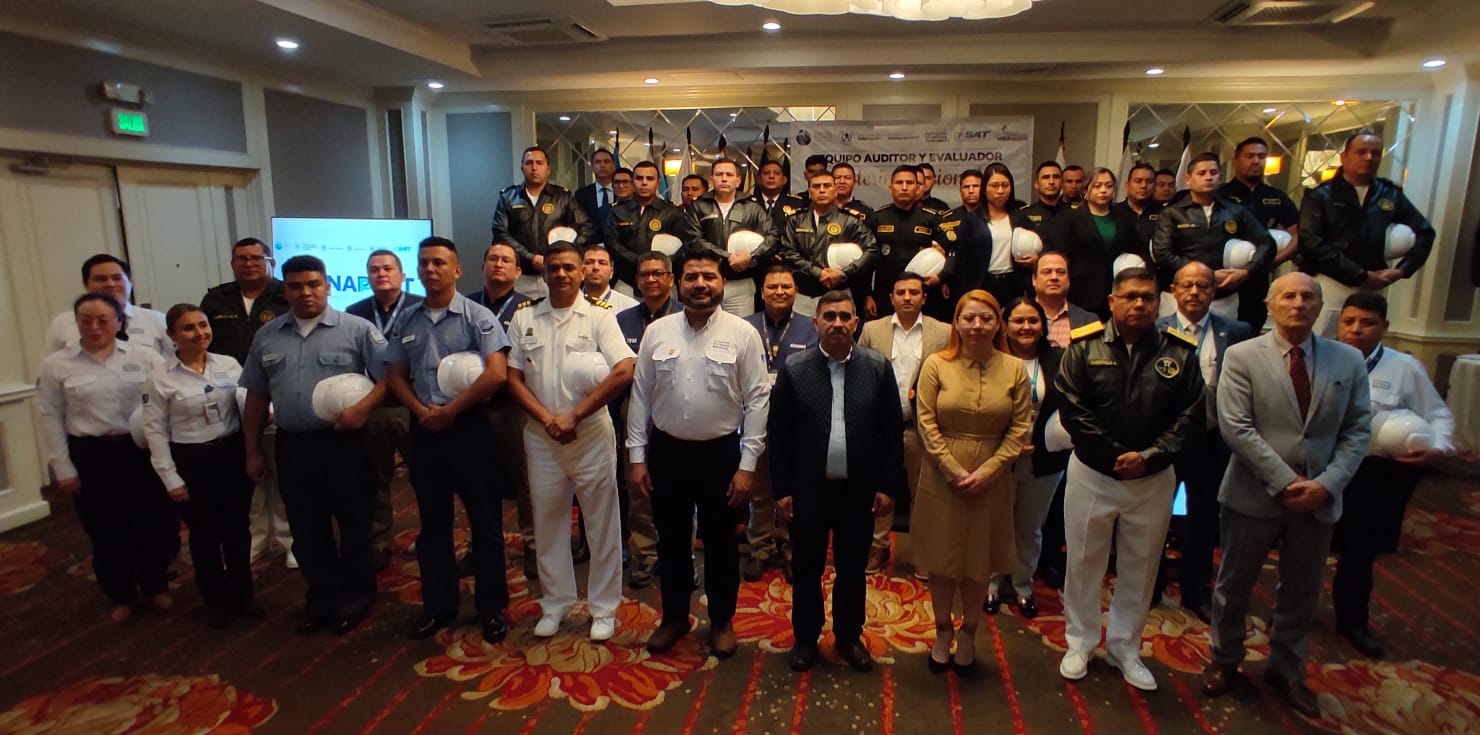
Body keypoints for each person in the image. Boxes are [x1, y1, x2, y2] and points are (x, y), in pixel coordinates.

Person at [1202, 273, 1370, 719]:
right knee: (1234, 584)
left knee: (1302, 589)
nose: (1298, 303)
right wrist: (1285, 481)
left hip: (1318, 497)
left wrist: (1325, 485)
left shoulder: (1348, 360)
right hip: (1253, 492)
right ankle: (1224, 658)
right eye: (1289, 296)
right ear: (1270, 304)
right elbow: (1236, 426)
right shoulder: (1242, 356)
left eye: (1308, 297)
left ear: (1319, 307)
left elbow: (1357, 430)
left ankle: (1287, 667)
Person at [1054, 267, 1206, 692]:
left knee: (1141, 567)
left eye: (1148, 297)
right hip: (1093, 473)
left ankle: (1125, 648)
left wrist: (1149, 457)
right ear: (1112, 301)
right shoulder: (1083, 347)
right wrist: (1114, 455)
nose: (1140, 304)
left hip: (1152, 479)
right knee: (1083, 561)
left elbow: (1192, 416)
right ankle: (1080, 643)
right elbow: (1071, 407)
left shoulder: (1180, 352)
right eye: (1131, 296)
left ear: (1159, 302)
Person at [628, 250, 770, 659]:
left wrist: (747, 466)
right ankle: (674, 617)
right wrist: (637, 457)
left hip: (720, 455)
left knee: (721, 543)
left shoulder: (743, 333)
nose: (700, 284)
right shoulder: (658, 332)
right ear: (679, 283)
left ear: (722, 283)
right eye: (692, 277)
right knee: (671, 540)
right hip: (667, 452)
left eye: (709, 276)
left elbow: (758, 400)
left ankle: (722, 620)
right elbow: (641, 395)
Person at [240, 255, 388, 636]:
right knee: (306, 529)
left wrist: (361, 410)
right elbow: (256, 394)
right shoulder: (267, 336)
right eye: (295, 286)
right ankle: (321, 598)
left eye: (313, 284)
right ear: (285, 290)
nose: (305, 292)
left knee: (354, 524)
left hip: (346, 444)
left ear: (327, 286)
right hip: (293, 446)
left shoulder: (356, 329)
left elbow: (390, 379)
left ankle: (356, 597)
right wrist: (252, 450)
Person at [769, 290, 906, 673]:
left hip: (858, 490)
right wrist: (782, 489)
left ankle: (848, 635)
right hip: (808, 490)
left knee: (852, 569)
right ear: (815, 324)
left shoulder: (876, 367)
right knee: (806, 568)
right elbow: (778, 434)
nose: (838, 323)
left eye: (845, 316)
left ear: (856, 323)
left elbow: (891, 431)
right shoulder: (795, 368)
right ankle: (805, 636)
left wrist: (887, 485)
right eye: (829, 316)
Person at [383, 237, 512, 643]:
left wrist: (450, 411)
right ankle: (439, 606)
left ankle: (492, 609)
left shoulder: (477, 316)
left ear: (456, 270)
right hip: (424, 429)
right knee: (432, 523)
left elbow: (496, 374)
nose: (430, 269)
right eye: (424, 263)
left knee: (485, 524)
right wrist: (422, 412)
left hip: (469, 428)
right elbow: (395, 376)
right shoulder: (407, 320)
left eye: (439, 263)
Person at [506, 243, 636, 642]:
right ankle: (555, 603)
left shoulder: (599, 316)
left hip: (590, 433)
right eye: (553, 268)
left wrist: (575, 416)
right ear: (543, 273)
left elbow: (625, 369)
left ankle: (603, 608)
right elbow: (512, 377)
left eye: (568, 267)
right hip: (541, 436)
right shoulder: (524, 317)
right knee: (548, 521)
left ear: (581, 272)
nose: (561, 274)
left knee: (601, 523)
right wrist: (549, 419)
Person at [915, 290, 1032, 675]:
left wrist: (988, 471)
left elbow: (1020, 429)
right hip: (940, 474)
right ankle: (942, 630)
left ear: (999, 324)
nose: (977, 325)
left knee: (979, 561)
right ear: (957, 322)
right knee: (940, 560)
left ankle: (969, 631)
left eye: (986, 318)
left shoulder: (1015, 369)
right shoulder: (936, 364)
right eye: (969, 318)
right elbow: (925, 422)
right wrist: (952, 469)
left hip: (992, 476)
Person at [1331, 292, 1453, 658]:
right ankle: (1289, 615)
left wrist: (1438, 447)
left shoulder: (1405, 368)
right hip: (1323, 466)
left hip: (1371, 472)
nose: (1356, 329)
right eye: (1349, 321)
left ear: (1384, 326)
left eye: (1367, 323)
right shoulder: (1320, 358)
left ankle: (1353, 621)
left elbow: (1438, 414)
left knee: (1360, 551)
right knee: (1303, 546)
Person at [37, 294, 172, 623]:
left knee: (152, 523)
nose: (94, 326)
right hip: (91, 455)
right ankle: (120, 594)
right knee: (105, 528)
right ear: (77, 323)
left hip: (139, 451)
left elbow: (165, 401)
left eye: (103, 320)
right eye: (86, 320)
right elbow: (50, 417)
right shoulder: (57, 365)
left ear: (119, 322)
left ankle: (155, 585)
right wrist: (63, 467)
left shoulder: (144, 357)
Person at [140, 303, 260, 628]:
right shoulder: (160, 378)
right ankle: (215, 601)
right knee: (205, 535)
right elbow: (155, 431)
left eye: (203, 325)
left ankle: (243, 596)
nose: (199, 333)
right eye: (188, 328)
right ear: (172, 335)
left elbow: (246, 404)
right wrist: (170, 478)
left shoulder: (229, 364)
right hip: (192, 461)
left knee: (237, 529)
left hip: (230, 454)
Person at [1156, 262, 1254, 623]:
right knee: (1155, 516)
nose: (1195, 292)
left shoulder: (1238, 332)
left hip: (1213, 440)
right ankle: (1152, 584)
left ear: (1214, 291)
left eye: (1203, 285)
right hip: (1165, 440)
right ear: (1174, 290)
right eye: (1187, 285)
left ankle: (1196, 590)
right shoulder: (1155, 329)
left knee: (1203, 518)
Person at [200, 238, 294, 567]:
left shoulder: (287, 294)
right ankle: (255, 537)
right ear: (232, 264)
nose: (249, 263)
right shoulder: (215, 299)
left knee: (283, 474)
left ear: (270, 262)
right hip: (229, 398)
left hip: (279, 392)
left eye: (256, 257)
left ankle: (288, 539)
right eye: (241, 258)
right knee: (246, 475)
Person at [1299, 129, 1436, 337]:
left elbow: (1425, 233)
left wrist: (1401, 271)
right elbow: (1310, 242)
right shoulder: (1320, 195)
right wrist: (1359, 274)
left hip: (1374, 284)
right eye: (1361, 152)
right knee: (1321, 345)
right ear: (1344, 157)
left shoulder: (1390, 194)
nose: (1369, 157)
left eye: (1376, 153)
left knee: (1364, 345)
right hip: (1330, 283)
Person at [857, 272, 950, 575]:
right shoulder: (872, 329)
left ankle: (922, 553)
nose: (907, 297)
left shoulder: (944, 332)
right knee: (878, 491)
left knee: (923, 495)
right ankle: (878, 546)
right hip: (880, 428)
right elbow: (858, 372)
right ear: (891, 298)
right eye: (901, 292)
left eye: (913, 292)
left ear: (924, 297)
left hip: (920, 428)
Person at [987, 297, 1068, 619]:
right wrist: (1007, 446)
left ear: (1043, 326)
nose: (1026, 327)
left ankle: (1022, 586)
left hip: (1044, 460)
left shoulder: (1060, 360)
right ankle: (992, 584)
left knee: (1030, 528)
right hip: (998, 459)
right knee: (996, 525)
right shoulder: (991, 360)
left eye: (1033, 321)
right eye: (1018, 321)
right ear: (1005, 326)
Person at [346, 250, 423, 570]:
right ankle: (379, 539)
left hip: (413, 405)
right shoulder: (355, 313)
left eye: (388, 268)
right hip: (373, 405)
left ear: (402, 275)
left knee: (425, 475)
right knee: (374, 477)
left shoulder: (420, 307)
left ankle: (430, 534)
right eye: (374, 269)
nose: (381, 274)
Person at [741, 266, 819, 582]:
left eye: (786, 286)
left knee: (794, 491)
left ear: (796, 291)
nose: (779, 291)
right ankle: (760, 547)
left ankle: (791, 549)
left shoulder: (811, 327)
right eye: (772, 287)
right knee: (759, 489)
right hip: (754, 419)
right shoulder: (744, 326)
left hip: (796, 423)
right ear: (761, 292)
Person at [466, 242, 538, 580]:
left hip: (514, 405)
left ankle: (533, 545)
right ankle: (480, 545)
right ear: (483, 266)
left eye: (506, 260)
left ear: (518, 271)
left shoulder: (530, 309)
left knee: (526, 480)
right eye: (492, 258)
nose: (499, 264)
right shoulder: (466, 306)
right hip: (472, 404)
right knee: (477, 480)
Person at [614, 252, 682, 589]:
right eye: (644, 274)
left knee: (679, 486)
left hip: (676, 403)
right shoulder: (622, 320)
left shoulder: (686, 315)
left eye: (658, 273)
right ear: (636, 281)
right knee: (637, 482)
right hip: (633, 405)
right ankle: (646, 552)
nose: (651, 279)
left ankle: (680, 555)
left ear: (671, 279)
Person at [1152, 153, 1275, 321]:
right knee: (1174, 338)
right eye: (1202, 173)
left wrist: (1246, 272)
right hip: (1179, 295)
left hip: (1223, 297)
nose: (1208, 177)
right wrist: (1207, 275)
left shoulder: (1235, 211)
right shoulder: (1172, 213)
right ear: (1188, 179)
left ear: (1220, 177)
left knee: (1222, 338)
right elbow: (1162, 253)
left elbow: (1267, 243)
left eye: (1213, 172)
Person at [1220, 136, 1301, 331]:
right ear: (1236, 161)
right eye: (1250, 156)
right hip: (1225, 275)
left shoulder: (1276, 197)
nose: (1256, 161)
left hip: (1259, 276)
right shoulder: (1220, 194)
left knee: (1252, 326)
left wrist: (1274, 260)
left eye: (1261, 156)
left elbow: (1298, 234)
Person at [493, 145, 596, 295]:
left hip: (555, 274)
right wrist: (530, 257)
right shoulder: (508, 197)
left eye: (539, 163)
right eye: (529, 163)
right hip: (519, 274)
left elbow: (586, 228)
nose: (534, 167)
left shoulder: (563, 197)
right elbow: (500, 233)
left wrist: (563, 253)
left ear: (548, 169)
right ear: (522, 168)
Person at [686, 158, 779, 316]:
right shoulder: (698, 206)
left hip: (741, 283)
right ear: (711, 179)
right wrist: (728, 257)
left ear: (738, 180)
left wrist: (752, 257)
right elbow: (694, 241)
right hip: (706, 280)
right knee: (705, 327)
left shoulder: (752, 207)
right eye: (719, 174)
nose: (724, 179)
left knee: (741, 328)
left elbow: (773, 237)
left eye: (729, 175)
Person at [780, 171, 879, 317]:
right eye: (816, 186)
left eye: (826, 186)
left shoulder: (850, 220)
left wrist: (844, 273)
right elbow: (788, 251)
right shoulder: (796, 219)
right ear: (809, 192)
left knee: (839, 331)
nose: (821, 190)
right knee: (801, 331)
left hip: (840, 294)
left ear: (835, 190)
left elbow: (872, 249)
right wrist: (817, 272)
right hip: (803, 295)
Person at [1050, 168, 1143, 318]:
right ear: (1086, 189)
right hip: (1080, 291)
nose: (1103, 190)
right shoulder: (1070, 219)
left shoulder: (1124, 219)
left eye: (1109, 186)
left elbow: (1137, 251)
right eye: (1097, 186)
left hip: (1116, 290)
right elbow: (1062, 257)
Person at [47, 254, 171, 356]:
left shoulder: (156, 320)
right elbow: (49, 367)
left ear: (130, 283)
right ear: (85, 284)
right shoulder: (63, 322)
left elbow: (178, 364)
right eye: (101, 279)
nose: (110, 284)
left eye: (117, 278)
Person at [605, 160, 698, 291]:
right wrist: (639, 260)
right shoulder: (618, 211)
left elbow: (686, 245)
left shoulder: (672, 212)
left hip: (663, 280)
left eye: (649, 178)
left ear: (658, 183)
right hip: (627, 280)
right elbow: (611, 243)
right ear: (632, 182)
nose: (644, 182)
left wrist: (662, 263)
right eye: (639, 178)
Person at [867, 166, 943, 320]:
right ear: (890, 188)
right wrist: (867, 295)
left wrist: (941, 276)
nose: (904, 187)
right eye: (899, 183)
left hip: (923, 294)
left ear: (917, 188)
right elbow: (867, 261)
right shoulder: (877, 218)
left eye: (909, 183)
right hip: (885, 294)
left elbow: (945, 254)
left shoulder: (932, 218)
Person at [1032, 252, 1099, 349]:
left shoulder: (1089, 321)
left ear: (1068, 279)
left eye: (1060, 272)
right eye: (1047, 272)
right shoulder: (1016, 318)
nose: (1054, 277)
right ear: (1034, 279)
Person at [1114, 163, 1164, 247]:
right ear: (1127, 186)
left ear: (1155, 186)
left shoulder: (1164, 213)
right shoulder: (1114, 212)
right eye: (1138, 181)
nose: (1144, 186)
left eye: (1149, 182)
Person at [581, 246, 640, 313]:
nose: (596, 267)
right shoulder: (571, 303)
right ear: (581, 270)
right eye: (589, 262)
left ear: (611, 272)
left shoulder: (631, 307)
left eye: (602, 263)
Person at [574, 148, 618, 231]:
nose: (602, 165)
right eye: (598, 162)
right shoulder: (581, 195)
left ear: (614, 166)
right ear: (592, 167)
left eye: (606, 161)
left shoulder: (622, 192)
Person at [1019, 161, 1068, 234]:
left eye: (1056, 177)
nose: (1051, 182)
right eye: (1046, 177)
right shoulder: (1024, 214)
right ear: (1036, 184)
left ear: (1062, 182)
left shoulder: (1074, 213)